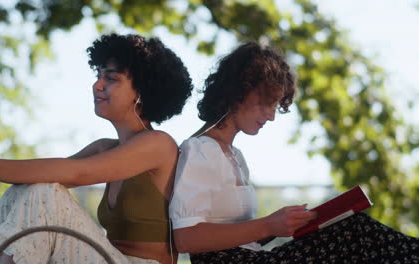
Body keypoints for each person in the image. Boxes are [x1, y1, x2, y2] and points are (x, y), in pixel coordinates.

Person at [0, 33, 193, 264]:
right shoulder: (104, 148)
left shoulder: (158, 144)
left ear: (141, 91)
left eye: (111, 78)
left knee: (43, 193)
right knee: (24, 189)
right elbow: (46, 175)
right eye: (98, 75)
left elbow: (77, 172)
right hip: (109, 257)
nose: (97, 85)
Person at [169, 42, 419, 263]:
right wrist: (268, 224)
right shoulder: (199, 150)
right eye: (267, 103)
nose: (272, 116)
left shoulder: (234, 157)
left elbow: (238, 232)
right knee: (357, 232)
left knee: (349, 227)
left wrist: (288, 225)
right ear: (239, 92)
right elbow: (185, 238)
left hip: (254, 255)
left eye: (276, 106)